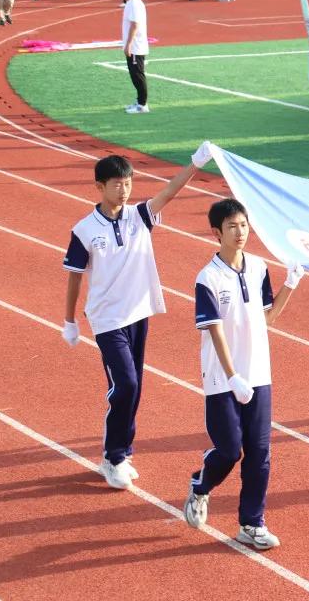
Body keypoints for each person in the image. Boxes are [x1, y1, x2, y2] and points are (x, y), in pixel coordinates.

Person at [62, 146, 212, 489]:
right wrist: (69, 320)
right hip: (106, 319)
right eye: (116, 184)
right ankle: (113, 456)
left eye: (128, 183)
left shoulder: (139, 216)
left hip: (138, 313)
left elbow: (169, 193)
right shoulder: (84, 229)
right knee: (125, 385)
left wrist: (195, 163)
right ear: (99, 187)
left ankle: (121, 452)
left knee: (135, 388)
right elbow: (74, 275)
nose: (124, 189)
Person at [183, 197, 303, 550]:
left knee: (260, 453)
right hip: (223, 379)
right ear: (217, 232)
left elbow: (267, 317)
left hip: (259, 374)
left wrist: (291, 284)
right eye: (233, 226)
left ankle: (252, 524)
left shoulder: (259, 267)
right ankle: (200, 486)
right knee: (229, 450)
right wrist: (233, 375)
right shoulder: (207, 278)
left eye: (244, 225)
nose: (240, 232)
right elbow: (215, 330)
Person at [120, 0, 150, 114]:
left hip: (136, 46)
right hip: (135, 45)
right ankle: (139, 101)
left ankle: (142, 104)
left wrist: (129, 45)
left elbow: (135, 25)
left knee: (137, 75)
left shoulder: (133, 4)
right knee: (135, 75)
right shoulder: (133, 2)